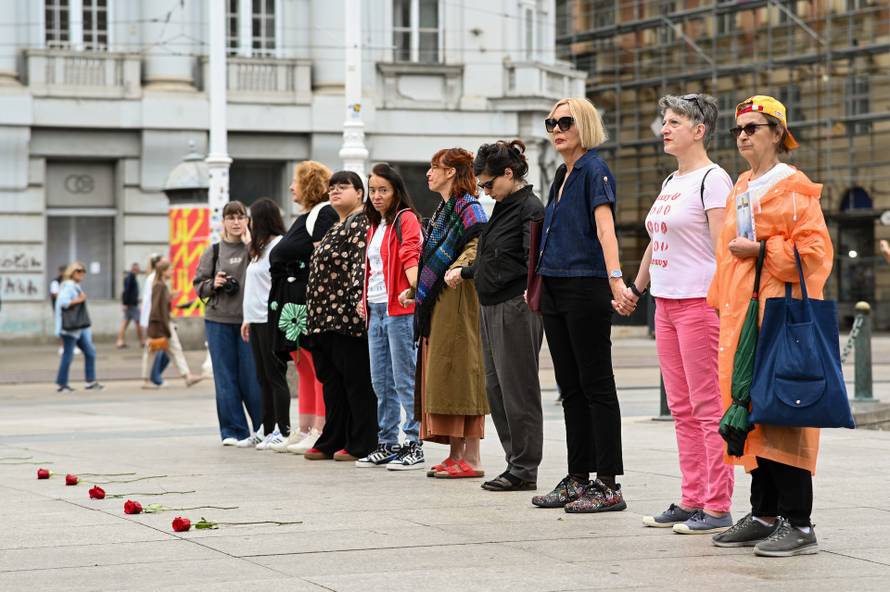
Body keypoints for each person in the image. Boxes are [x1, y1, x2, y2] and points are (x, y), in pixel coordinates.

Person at [708, 96, 832, 557]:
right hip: (742, 321)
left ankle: (799, 522)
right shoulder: (741, 185)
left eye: (754, 128)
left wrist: (763, 251)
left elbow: (816, 256)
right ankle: (764, 513)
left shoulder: (795, 189)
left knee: (784, 412)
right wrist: (720, 303)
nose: (743, 135)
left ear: (777, 133)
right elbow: (726, 255)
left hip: (778, 318)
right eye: (739, 129)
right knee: (750, 414)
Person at [616, 94, 735, 533]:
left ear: (698, 130)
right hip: (664, 302)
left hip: (700, 303)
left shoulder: (714, 179)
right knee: (682, 408)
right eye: (664, 121)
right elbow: (656, 240)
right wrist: (637, 287)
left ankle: (718, 505)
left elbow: (724, 248)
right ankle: (691, 498)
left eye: (674, 122)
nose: (664, 128)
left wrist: (725, 299)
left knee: (708, 408)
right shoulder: (672, 180)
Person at [530, 97, 626, 513]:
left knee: (596, 384)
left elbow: (605, 229)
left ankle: (607, 484)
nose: (556, 129)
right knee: (569, 388)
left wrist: (616, 278)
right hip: (554, 286)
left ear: (583, 124)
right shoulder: (561, 175)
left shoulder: (594, 170)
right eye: (551, 123)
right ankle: (577, 476)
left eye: (565, 121)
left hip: (585, 286)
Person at [449, 140, 545, 491]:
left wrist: (518, 292)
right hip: (492, 304)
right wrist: (470, 272)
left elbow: (529, 260)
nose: (486, 192)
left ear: (509, 173)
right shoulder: (504, 206)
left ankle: (524, 468)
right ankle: (514, 462)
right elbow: (493, 256)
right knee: (497, 388)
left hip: (514, 306)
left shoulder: (529, 208)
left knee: (518, 388)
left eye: (489, 184)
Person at [399, 148, 489, 479]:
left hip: (459, 297)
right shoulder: (446, 207)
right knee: (443, 374)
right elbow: (433, 257)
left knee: (461, 370)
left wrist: (459, 268)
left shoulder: (468, 206)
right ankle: (455, 454)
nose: (428, 173)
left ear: (451, 172)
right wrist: (417, 290)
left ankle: (473, 457)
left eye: (434, 167)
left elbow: (478, 242)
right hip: (441, 299)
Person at [302, 170, 377, 462]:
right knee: (332, 383)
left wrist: (356, 306)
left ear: (359, 193)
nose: (334, 191)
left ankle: (362, 441)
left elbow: (358, 268)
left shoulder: (361, 223)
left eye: (343, 187)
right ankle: (334, 437)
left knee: (355, 382)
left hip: (346, 318)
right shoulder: (336, 225)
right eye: (332, 187)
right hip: (323, 319)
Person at [355, 163, 425, 470]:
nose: (377, 196)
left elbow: (412, 254)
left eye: (383, 190)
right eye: (372, 190)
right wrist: (364, 301)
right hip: (376, 309)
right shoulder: (375, 224)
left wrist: (413, 289)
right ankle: (387, 443)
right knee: (380, 382)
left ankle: (414, 444)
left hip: (400, 310)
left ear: (396, 191)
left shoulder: (405, 219)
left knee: (403, 379)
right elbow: (373, 269)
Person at [266, 161, 337, 454]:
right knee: (303, 365)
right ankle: (305, 427)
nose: (291, 187)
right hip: (292, 300)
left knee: (313, 363)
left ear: (308, 184)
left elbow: (322, 256)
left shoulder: (322, 214)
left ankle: (319, 428)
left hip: (305, 297)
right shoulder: (305, 216)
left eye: (295, 182)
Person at [194, 201, 263, 447]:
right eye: (231, 218)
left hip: (249, 321)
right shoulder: (213, 251)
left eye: (240, 217)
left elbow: (267, 272)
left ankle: (262, 428)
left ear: (247, 221)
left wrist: (250, 245)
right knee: (225, 378)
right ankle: (234, 431)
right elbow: (198, 286)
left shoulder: (254, 249)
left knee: (251, 378)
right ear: (223, 221)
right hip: (218, 321)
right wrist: (215, 284)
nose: (236, 222)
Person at [240, 198, 290, 451]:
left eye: (251, 217)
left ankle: (284, 428)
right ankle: (266, 427)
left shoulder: (278, 246)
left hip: (270, 320)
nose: (249, 222)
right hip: (255, 319)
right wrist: (247, 318)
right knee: (262, 377)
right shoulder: (258, 248)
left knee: (275, 375)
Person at [147, 261, 202, 387]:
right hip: (163, 325)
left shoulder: (162, 286)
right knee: (162, 352)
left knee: (173, 351)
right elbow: (155, 308)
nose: (172, 272)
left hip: (165, 323)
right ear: (163, 271)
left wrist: (170, 297)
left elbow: (160, 305)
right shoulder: (159, 286)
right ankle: (151, 378)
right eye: (170, 269)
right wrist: (160, 326)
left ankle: (186, 376)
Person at [54, 262, 102, 392]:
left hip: (77, 328)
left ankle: (90, 382)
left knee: (90, 352)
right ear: (72, 273)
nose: (81, 274)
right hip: (70, 328)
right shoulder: (69, 286)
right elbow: (63, 303)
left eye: (83, 271)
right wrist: (80, 300)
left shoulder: (74, 286)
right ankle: (62, 383)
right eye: (78, 271)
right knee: (68, 355)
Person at [141, 254, 170, 389]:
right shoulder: (155, 280)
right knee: (152, 351)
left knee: (159, 350)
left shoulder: (156, 280)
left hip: (152, 319)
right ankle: (150, 378)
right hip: (153, 320)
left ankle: (153, 377)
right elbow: (151, 303)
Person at [116, 262, 144, 349]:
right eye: (137, 269)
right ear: (134, 270)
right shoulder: (130, 277)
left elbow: (130, 292)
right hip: (131, 305)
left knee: (125, 323)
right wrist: (125, 303)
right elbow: (126, 291)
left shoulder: (131, 277)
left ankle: (120, 341)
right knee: (138, 322)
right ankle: (142, 341)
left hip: (131, 304)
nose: (139, 271)